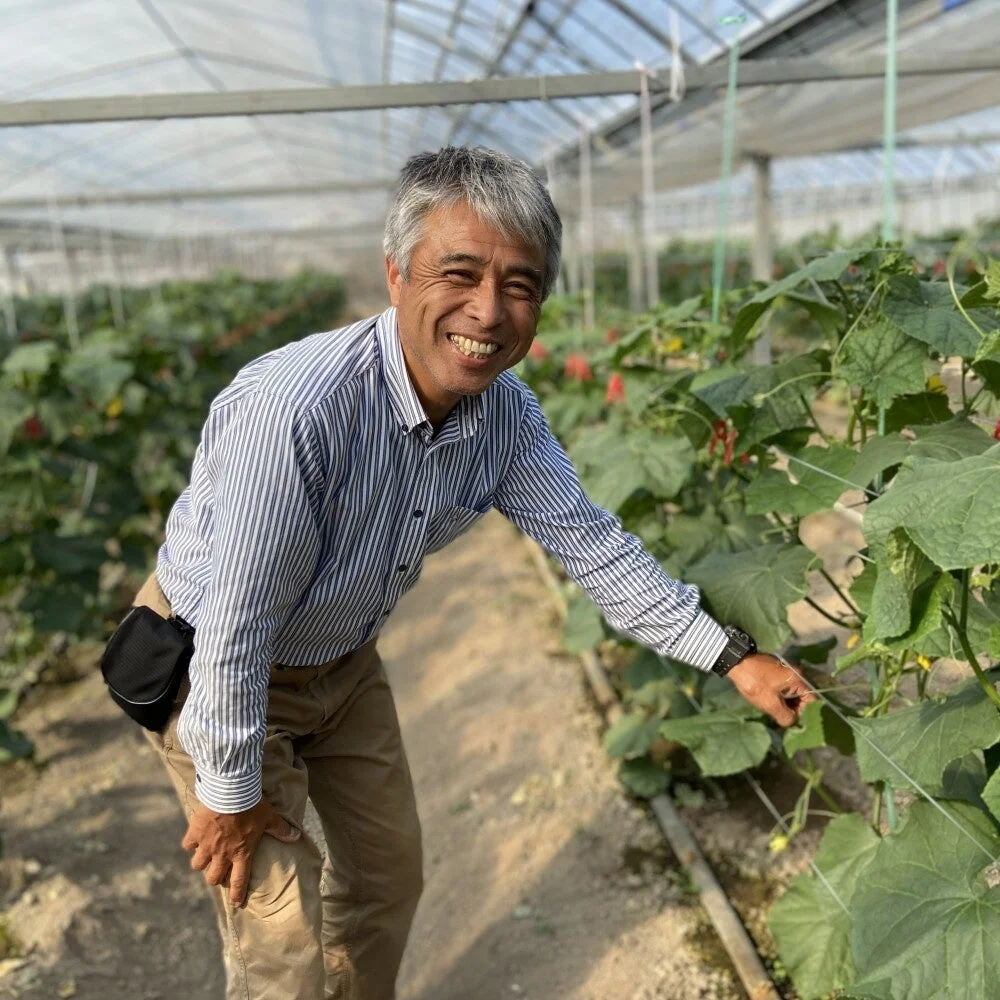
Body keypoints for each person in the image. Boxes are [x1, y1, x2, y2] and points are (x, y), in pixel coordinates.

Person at [136, 145, 815, 1000]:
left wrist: (733, 654)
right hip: (218, 664)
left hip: (339, 665)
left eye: (521, 285)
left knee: (387, 881)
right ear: (395, 275)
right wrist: (229, 794)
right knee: (279, 930)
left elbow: (593, 547)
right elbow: (236, 624)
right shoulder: (298, 410)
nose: (488, 311)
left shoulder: (506, 416)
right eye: (459, 273)